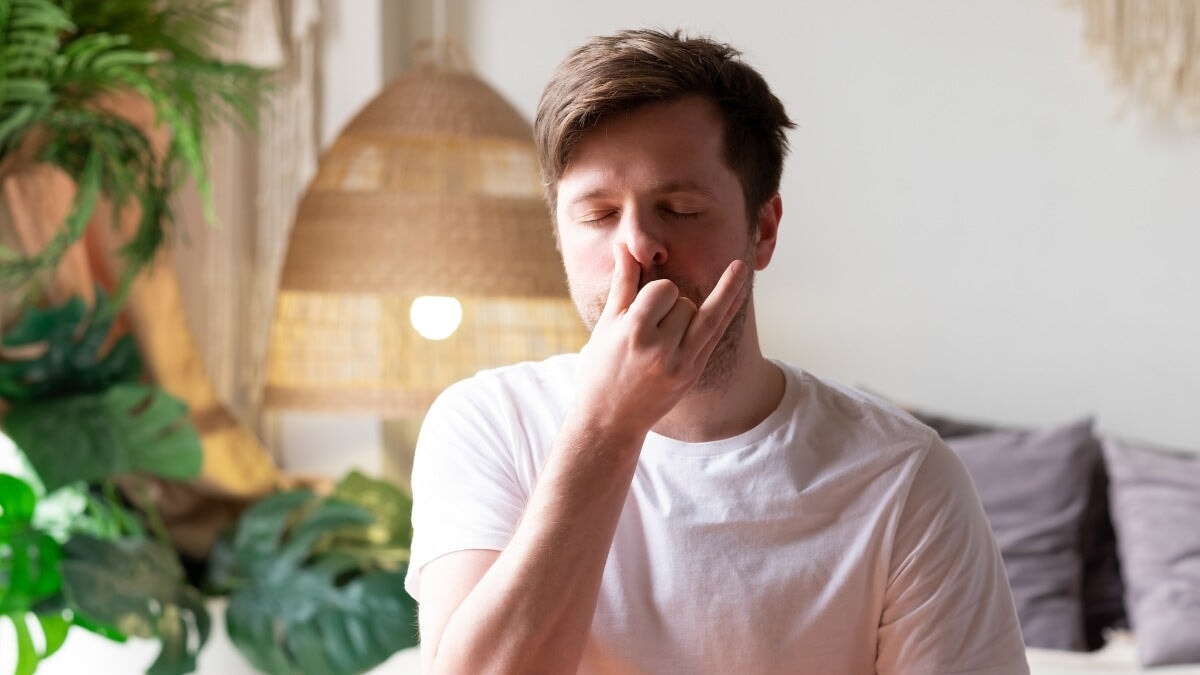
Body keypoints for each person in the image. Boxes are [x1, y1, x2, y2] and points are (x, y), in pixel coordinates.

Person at [404, 28, 1030, 674]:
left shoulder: (903, 475)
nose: (638, 246)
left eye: (678, 208)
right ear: (559, 235)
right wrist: (608, 425)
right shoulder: (486, 424)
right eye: (596, 214)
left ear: (762, 229)